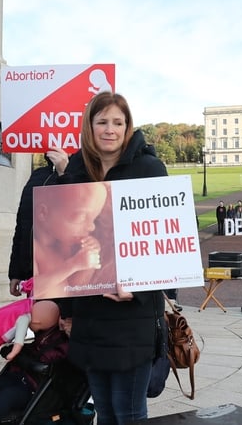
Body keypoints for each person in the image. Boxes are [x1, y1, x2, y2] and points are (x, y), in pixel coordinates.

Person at [57, 91, 167, 425]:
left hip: (132, 314)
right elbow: (60, 242)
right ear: (89, 126)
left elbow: (167, 244)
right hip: (90, 311)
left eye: (118, 122)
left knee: (129, 413)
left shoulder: (149, 168)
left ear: (127, 127)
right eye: (102, 121)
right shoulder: (75, 171)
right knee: (103, 411)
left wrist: (138, 290)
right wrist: (65, 309)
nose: (110, 129)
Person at [8, 148, 68, 297]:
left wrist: (64, 174)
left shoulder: (80, 174)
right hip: (33, 274)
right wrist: (16, 272)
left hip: (62, 277)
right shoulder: (38, 175)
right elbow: (21, 226)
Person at [32, 182, 109, 299]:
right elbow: (32, 289)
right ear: (43, 213)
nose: (91, 227)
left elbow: (74, 287)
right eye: (81, 217)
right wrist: (72, 265)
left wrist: (87, 264)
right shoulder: (34, 248)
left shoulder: (63, 246)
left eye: (94, 218)